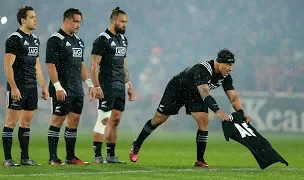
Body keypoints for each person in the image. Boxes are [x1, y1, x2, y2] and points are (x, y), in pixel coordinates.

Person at [129, 49, 251, 168]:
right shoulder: (203, 69)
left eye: (232, 65)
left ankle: (200, 160)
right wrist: (217, 111)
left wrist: (241, 113)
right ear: (218, 63)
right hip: (177, 90)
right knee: (158, 120)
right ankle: (137, 143)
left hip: (195, 95)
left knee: (203, 121)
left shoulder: (225, 76)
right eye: (228, 65)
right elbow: (204, 92)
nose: (231, 68)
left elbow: (233, 97)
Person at [46, 8, 95, 165]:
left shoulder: (78, 41)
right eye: (75, 21)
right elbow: (50, 65)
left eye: (80, 22)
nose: (78, 25)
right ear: (67, 20)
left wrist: (89, 84)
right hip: (61, 88)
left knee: (73, 122)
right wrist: (58, 86)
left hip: (76, 89)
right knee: (57, 121)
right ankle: (53, 158)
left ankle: (70, 157)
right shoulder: (55, 40)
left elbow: (81, 65)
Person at [2, 6, 49, 167]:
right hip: (18, 86)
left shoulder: (35, 40)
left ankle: (25, 158)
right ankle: (8, 159)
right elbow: (8, 66)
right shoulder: (14, 39)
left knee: (26, 124)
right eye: (32, 17)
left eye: (35, 17)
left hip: (31, 88)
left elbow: (36, 65)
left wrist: (43, 85)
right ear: (23, 20)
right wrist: (13, 87)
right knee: (10, 122)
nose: (35, 19)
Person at [90, 7, 135, 164]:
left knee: (115, 120)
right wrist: (96, 86)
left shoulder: (123, 40)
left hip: (119, 85)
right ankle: (97, 155)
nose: (124, 25)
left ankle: (111, 155)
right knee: (103, 118)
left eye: (126, 22)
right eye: (122, 21)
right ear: (113, 20)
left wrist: (128, 84)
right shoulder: (102, 39)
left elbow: (123, 64)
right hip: (106, 84)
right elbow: (94, 64)